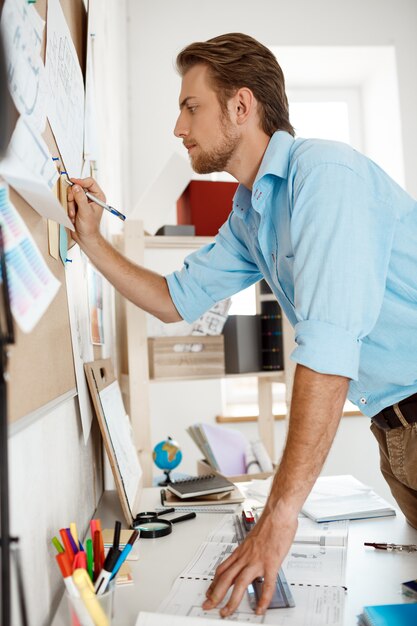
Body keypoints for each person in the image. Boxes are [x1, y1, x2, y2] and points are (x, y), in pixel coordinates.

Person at [68, 32, 417, 617]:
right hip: (395, 430)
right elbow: (173, 299)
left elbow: (328, 355)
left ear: (241, 105)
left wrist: (278, 520)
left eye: (189, 107)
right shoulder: (252, 213)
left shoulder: (324, 177)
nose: (178, 128)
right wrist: (92, 241)